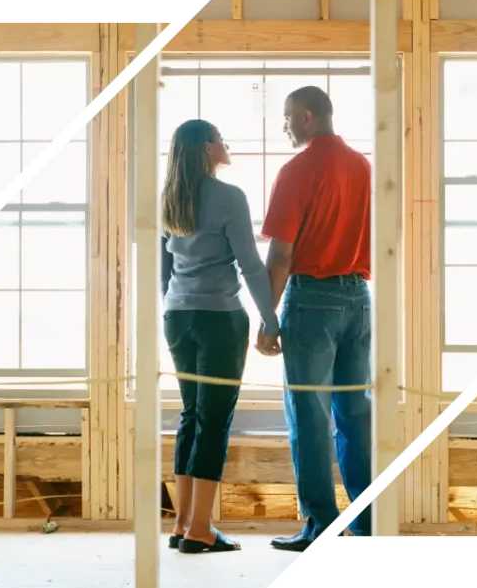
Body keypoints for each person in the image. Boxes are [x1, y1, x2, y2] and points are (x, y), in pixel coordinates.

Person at [256, 86, 373, 552]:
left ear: (307, 117)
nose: (284, 126)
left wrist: (267, 318)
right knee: (354, 413)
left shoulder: (297, 170)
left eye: (286, 118)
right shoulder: (363, 166)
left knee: (309, 416)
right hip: (358, 297)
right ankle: (365, 521)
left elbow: (280, 254)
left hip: (312, 299)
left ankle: (322, 526)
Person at [159, 118, 280, 554]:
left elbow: (163, 271)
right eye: (220, 139)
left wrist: (176, 303)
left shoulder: (168, 199)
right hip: (219, 319)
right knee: (214, 422)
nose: (226, 144)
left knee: (192, 415)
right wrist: (271, 318)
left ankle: (182, 524)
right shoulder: (229, 197)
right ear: (208, 148)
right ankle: (201, 531)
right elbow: (249, 265)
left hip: (177, 316)